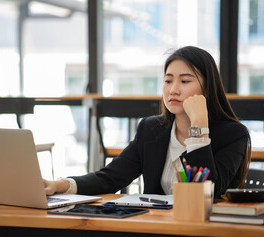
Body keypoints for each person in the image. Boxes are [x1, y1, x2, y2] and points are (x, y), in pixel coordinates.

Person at [44, 46, 251, 198]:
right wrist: (61, 185)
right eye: (168, 80)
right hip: (156, 229)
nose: (173, 89)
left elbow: (209, 192)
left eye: (185, 81)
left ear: (207, 89)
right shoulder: (151, 129)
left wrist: (198, 127)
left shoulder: (233, 135)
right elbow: (111, 177)